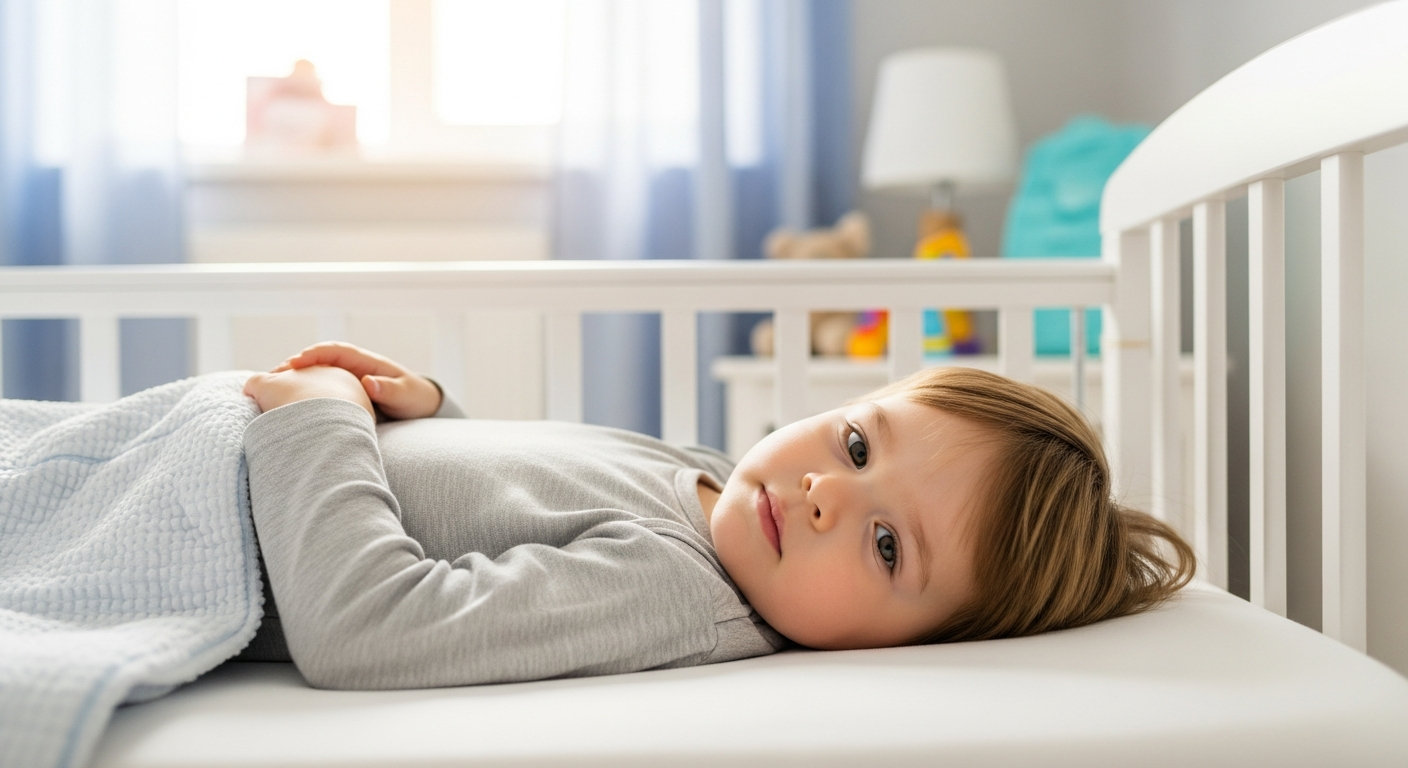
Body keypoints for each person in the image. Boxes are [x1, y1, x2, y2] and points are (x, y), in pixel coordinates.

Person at [241, 342, 1193, 690]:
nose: (827, 492)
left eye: (890, 545)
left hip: (207, 499)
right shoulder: (716, 484)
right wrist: (433, 412)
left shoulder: (673, 593)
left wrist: (321, 426)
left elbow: (365, 627)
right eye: (859, 446)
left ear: (908, 647)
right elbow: (510, 501)